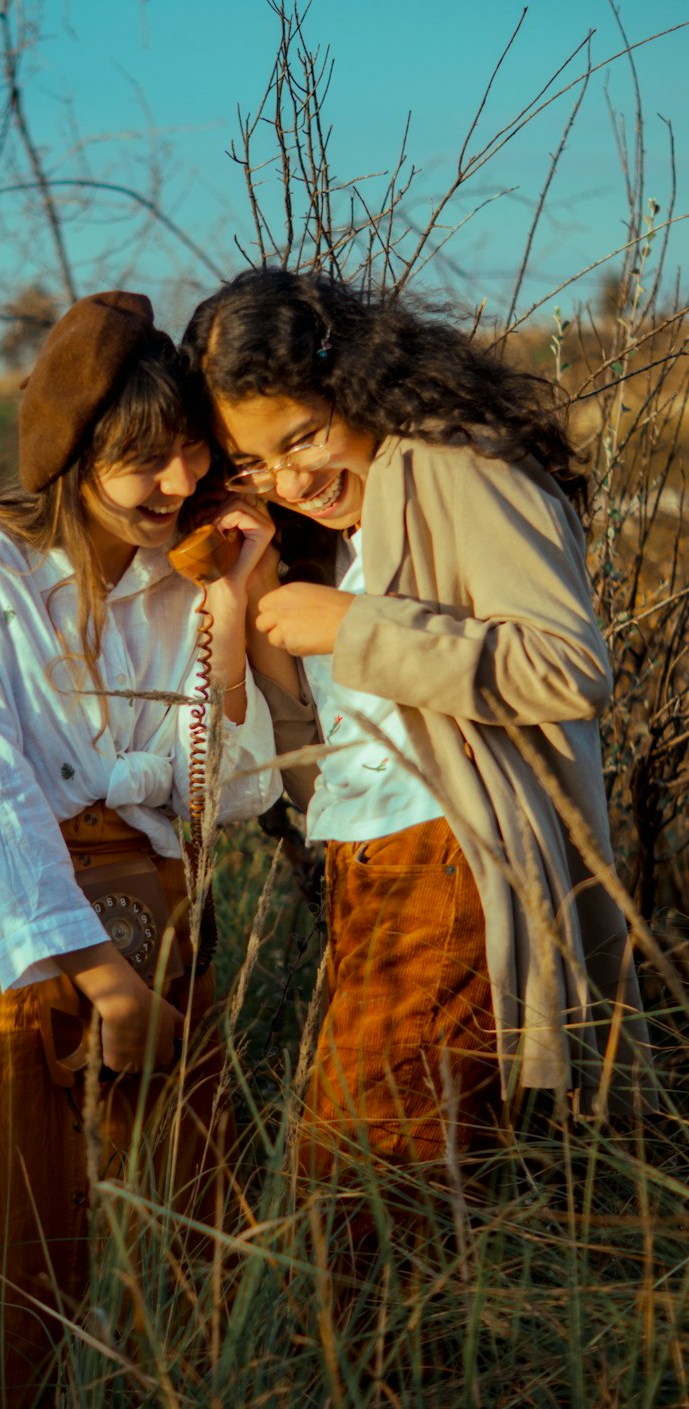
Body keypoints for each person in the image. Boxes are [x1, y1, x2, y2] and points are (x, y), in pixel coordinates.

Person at [0, 291, 280, 1406]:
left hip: (159, 929)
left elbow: (229, 789)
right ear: (74, 452)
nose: (181, 481)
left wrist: (231, 607)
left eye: (194, 450)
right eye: (145, 457)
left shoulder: (186, 577)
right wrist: (104, 977)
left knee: (168, 1252)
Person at [181, 267, 652, 1187]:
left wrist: (354, 627)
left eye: (305, 436)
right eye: (256, 463)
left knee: (351, 1199)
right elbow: (327, 747)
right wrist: (260, 589)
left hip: (447, 862)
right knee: (404, 1201)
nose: (292, 478)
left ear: (354, 379)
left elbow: (568, 666)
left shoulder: (455, 461)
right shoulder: (338, 526)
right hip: (369, 874)